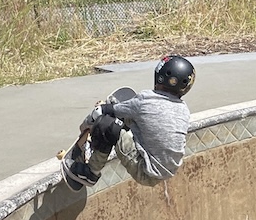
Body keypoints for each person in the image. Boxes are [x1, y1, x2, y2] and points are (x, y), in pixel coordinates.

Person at [61, 54, 195, 190]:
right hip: (166, 171)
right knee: (134, 117)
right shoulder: (184, 109)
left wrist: (86, 127)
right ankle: (124, 116)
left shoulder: (146, 100)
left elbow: (100, 112)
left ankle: (90, 172)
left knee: (107, 124)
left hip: (144, 170)